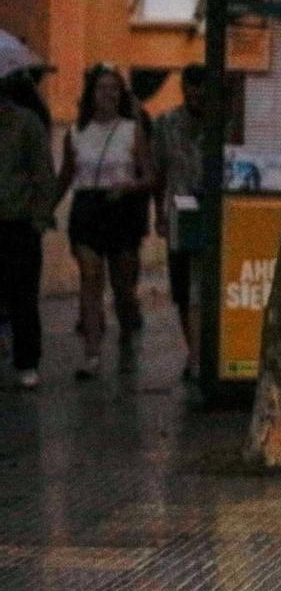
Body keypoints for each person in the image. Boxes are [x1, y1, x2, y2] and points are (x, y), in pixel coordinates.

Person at [58, 65, 153, 379]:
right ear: (91, 93)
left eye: (114, 88)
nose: (108, 94)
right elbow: (66, 176)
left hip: (121, 209)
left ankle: (127, 329)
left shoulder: (131, 129)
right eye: (102, 87)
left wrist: (128, 187)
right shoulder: (75, 133)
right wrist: (46, 207)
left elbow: (148, 175)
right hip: (87, 207)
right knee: (90, 276)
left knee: (123, 285)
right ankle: (92, 353)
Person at [0, 49, 57, 389]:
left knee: (22, 295)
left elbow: (43, 174)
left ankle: (27, 361)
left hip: (18, 223)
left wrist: (38, 219)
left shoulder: (26, 123)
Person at [152, 64, 210, 380]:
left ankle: (200, 356)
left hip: (214, 211)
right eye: (191, 89)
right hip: (180, 210)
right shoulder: (166, 124)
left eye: (201, 89)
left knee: (204, 287)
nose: (196, 95)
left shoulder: (223, 120)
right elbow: (158, 173)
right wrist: (158, 214)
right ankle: (194, 352)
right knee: (183, 288)